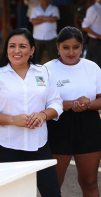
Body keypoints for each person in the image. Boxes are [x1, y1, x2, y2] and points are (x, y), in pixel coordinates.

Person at [0, 28, 62, 197]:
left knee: (52, 193)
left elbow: (56, 102)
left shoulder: (44, 72)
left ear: (32, 50)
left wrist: (44, 115)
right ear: (6, 49)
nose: (17, 51)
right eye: (12, 46)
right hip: (8, 147)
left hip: (39, 145)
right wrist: (12, 120)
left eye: (22, 46)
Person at [44, 26, 101, 196]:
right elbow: (40, 102)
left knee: (89, 181)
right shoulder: (46, 69)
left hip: (89, 126)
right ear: (57, 47)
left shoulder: (92, 68)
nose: (71, 52)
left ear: (82, 47)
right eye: (66, 47)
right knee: (53, 184)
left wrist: (87, 105)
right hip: (57, 126)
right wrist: (71, 104)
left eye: (76, 47)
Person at [30, 0, 60, 64]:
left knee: (53, 57)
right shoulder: (35, 9)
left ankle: (54, 73)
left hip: (51, 37)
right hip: (37, 37)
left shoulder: (54, 8)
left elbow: (54, 19)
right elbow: (34, 22)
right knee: (36, 57)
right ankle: (35, 72)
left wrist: (40, 17)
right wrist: (48, 18)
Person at [82, 0, 101, 67]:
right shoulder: (93, 9)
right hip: (95, 42)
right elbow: (85, 26)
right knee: (96, 65)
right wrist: (99, 36)